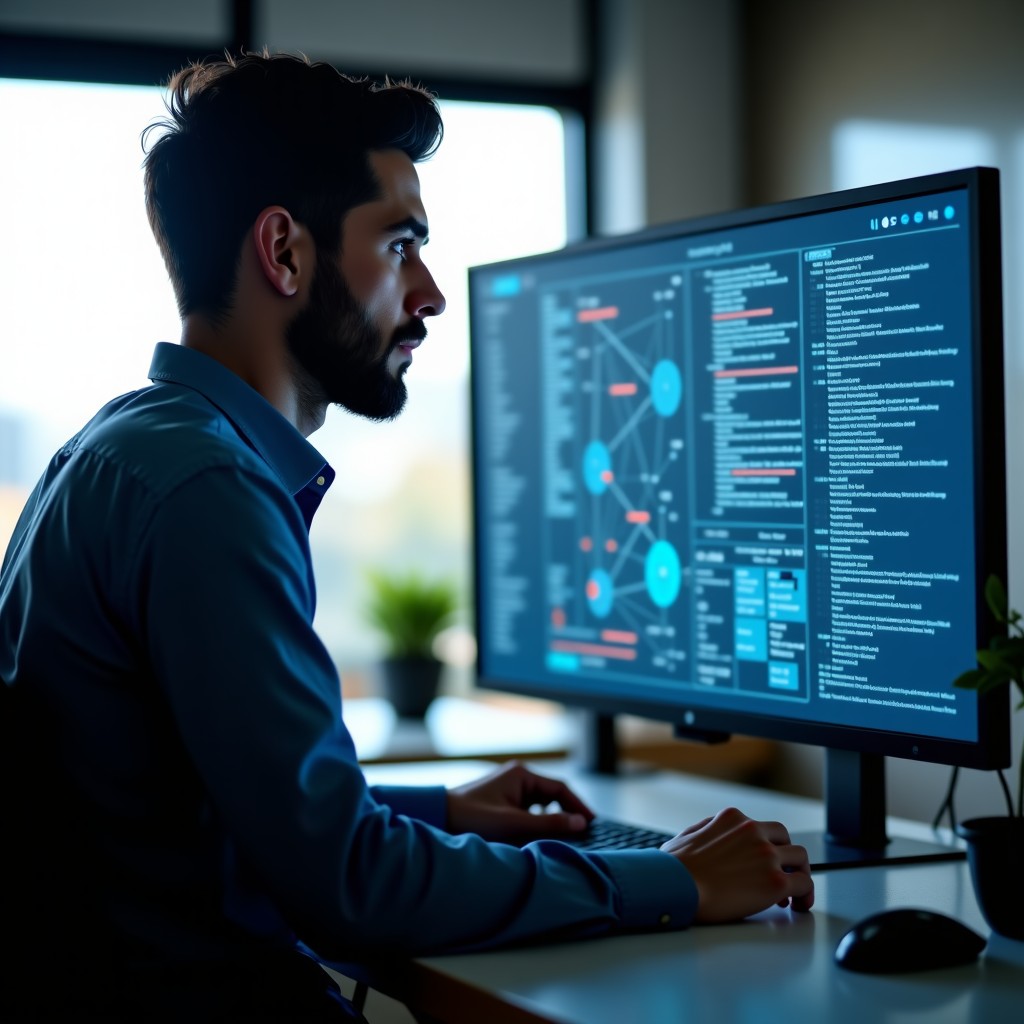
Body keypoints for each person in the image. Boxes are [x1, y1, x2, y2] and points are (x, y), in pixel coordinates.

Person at [0, 51, 813, 1021]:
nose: (427, 293)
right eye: (399, 244)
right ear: (285, 252)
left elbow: (211, 807)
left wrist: (440, 811)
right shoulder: (209, 492)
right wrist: (673, 882)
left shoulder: (117, 449)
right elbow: (351, 886)